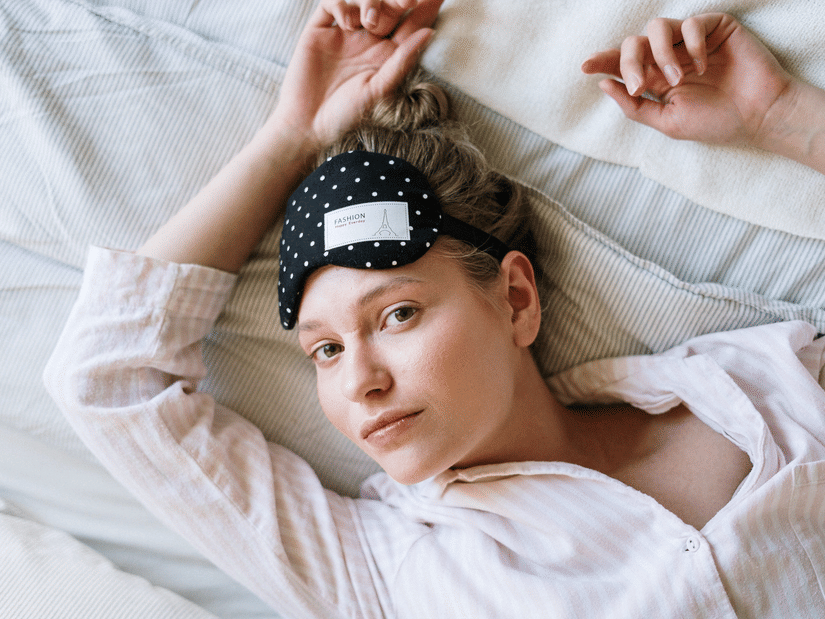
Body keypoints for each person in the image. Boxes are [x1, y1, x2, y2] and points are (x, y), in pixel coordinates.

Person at [44, 2, 825, 617]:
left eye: (397, 315)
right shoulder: (382, 570)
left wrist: (782, 117)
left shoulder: (767, 386)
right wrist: (289, 138)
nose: (361, 383)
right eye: (324, 350)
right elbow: (109, 380)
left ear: (515, 298)